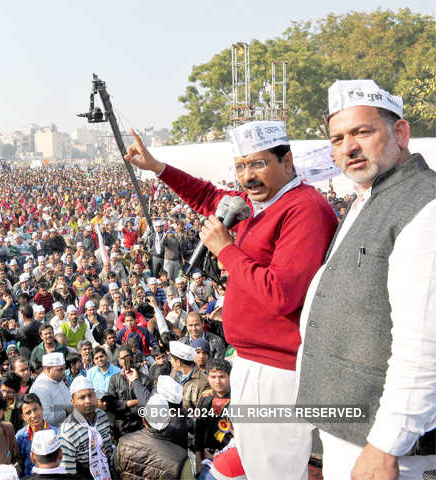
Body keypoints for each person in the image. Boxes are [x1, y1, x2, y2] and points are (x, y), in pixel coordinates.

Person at [125, 121, 337, 479]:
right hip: (252, 362)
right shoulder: (257, 203)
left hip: (278, 369)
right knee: (258, 467)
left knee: (276, 472)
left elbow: (281, 294)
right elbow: (207, 196)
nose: (247, 176)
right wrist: (157, 168)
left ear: (287, 162)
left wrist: (226, 250)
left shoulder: (304, 209)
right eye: (240, 166)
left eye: (257, 164)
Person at [297, 80, 436, 478]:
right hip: (353, 434)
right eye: (338, 138)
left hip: (391, 448)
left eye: (362, 132)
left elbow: (423, 343)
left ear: (401, 133)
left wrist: (387, 445)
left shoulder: (425, 205)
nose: (349, 148)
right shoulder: (370, 195)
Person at [115, 394, 192, 480]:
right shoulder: (181, 459)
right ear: (169, 421)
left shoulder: (122, 444)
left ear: (143, 420)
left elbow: (116, 473)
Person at [59, 376, 113, 478]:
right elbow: (68, 471)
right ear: (73, 402)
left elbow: (109, 449)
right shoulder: (67, 431)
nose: (88, 401)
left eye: (90, 395)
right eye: (82, 397)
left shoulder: (102, 416)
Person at [16, 393, 59, 477]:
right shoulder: (20, 436)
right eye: (28, 413)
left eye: (35, 409)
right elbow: (19, 462)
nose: (34, 415)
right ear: (23, 417)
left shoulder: (56, 434)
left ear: (42, 408)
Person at [29, 352, 72, 428]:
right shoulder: (41, 388)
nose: (64, 372)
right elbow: (45, 418)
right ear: (48, 369)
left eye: (64, 368)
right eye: (60, 369)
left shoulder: (58, 378)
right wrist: (67, 412)